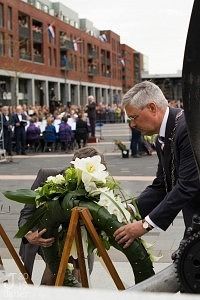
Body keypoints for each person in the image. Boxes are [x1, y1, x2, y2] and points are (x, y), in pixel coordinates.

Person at [114, 81, 200, 249]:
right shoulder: (165, 133)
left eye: (134, 117)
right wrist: (128, 211)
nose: (132, 124)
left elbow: (188, 185)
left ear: (152, 108)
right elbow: (162, 185)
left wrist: (145, 225)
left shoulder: (187, 129)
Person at [18, 146, 105, 285]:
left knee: (74, 274)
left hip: (78, 242)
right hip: (45, 239)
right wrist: (29, 234)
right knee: (56, 270)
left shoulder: (99, 187)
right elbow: (26, 214)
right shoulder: (47, 176)